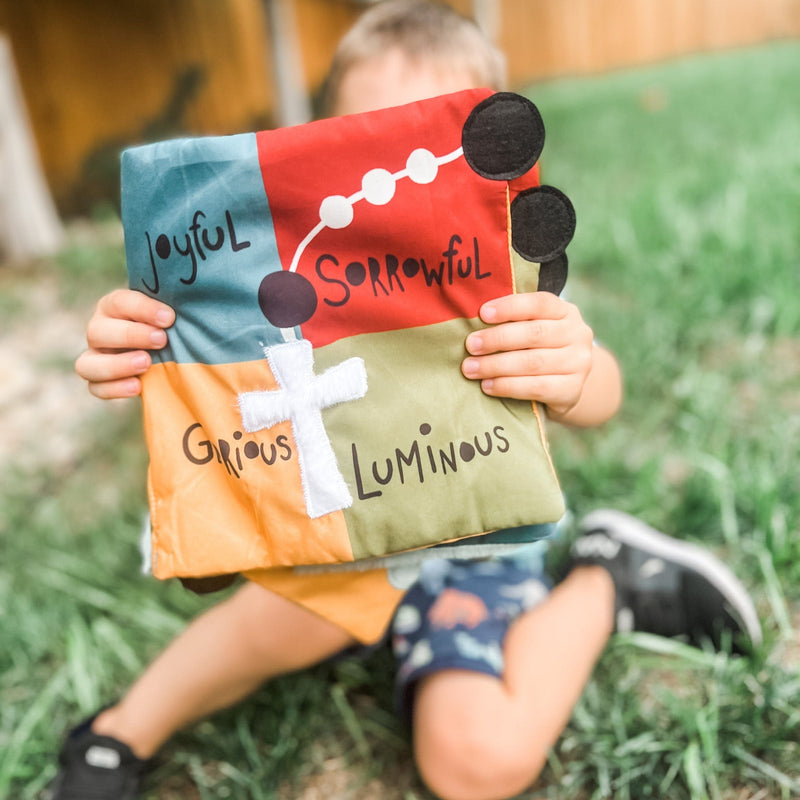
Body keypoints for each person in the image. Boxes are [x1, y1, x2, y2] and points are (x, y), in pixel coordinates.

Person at [51, 3, 761, 800]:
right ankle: (118, 733)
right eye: (365, 145)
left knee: (474, 763)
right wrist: (142, 346)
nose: (391, 184)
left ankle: (608, 578)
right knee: (271, 622)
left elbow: (603, 392)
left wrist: (574, 370)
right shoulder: (281, 270)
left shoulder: (499, 270)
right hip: (338, 547)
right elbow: (203, 366)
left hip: (476, 555)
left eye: (423, 150)